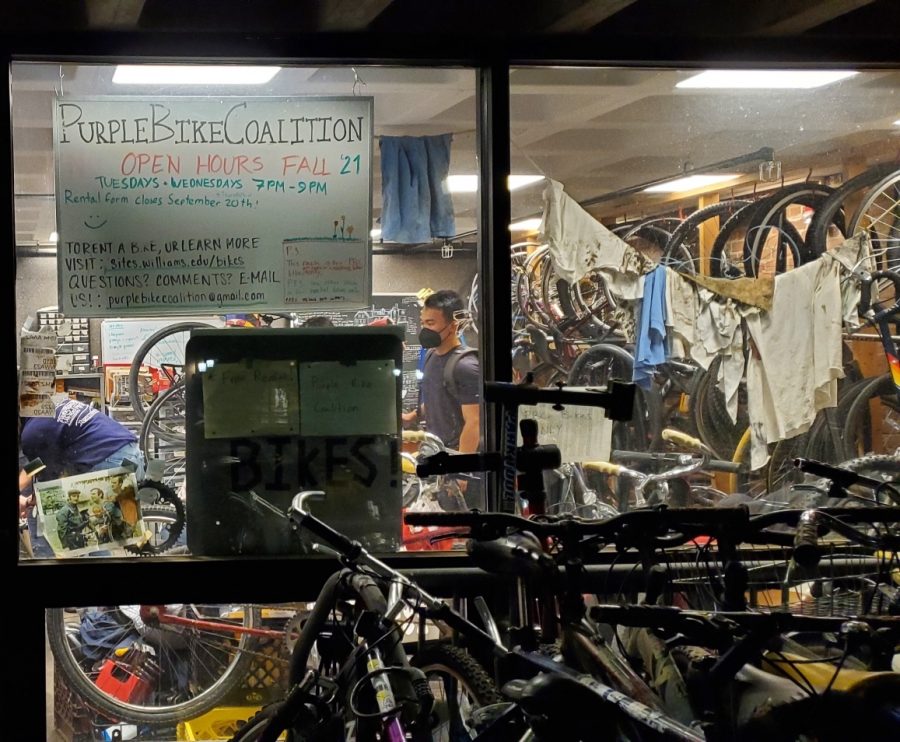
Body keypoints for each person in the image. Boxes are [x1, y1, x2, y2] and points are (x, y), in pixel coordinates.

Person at [403, 290, 481, 505]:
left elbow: (474, 421)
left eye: (431, 323)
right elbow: (439, 395)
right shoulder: (431, 356)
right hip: (437, 458)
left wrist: (462, 470)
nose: (424, 329)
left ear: (453, 325)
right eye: (423, 322)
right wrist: (412, 416)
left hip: (459, 464)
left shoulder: (466, 366)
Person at [20, 398, 146, 482]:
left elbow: (49, 478)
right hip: (130, 453)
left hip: (110, 462)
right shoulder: (48, 407)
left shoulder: (32, 433)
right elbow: (41, 461)